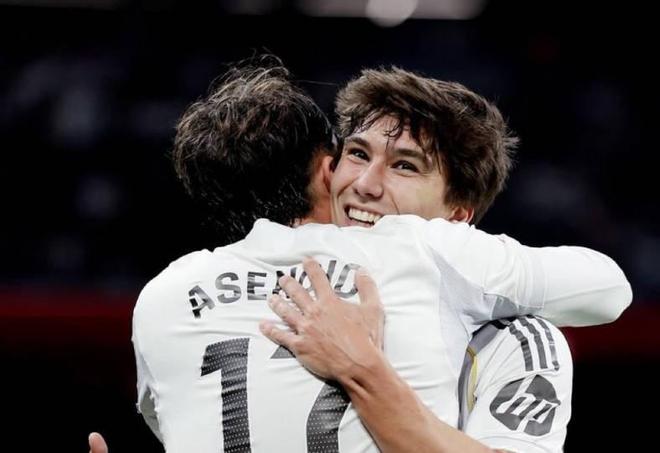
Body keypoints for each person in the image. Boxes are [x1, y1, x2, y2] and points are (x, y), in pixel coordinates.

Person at [96, 59, 630, 452]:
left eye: (404, 166)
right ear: (327, 166)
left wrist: (361, 369)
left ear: (458, 216)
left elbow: (612, 289)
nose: (365, 184)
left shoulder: (168, 292)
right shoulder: (419, 253)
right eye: (356, 154)